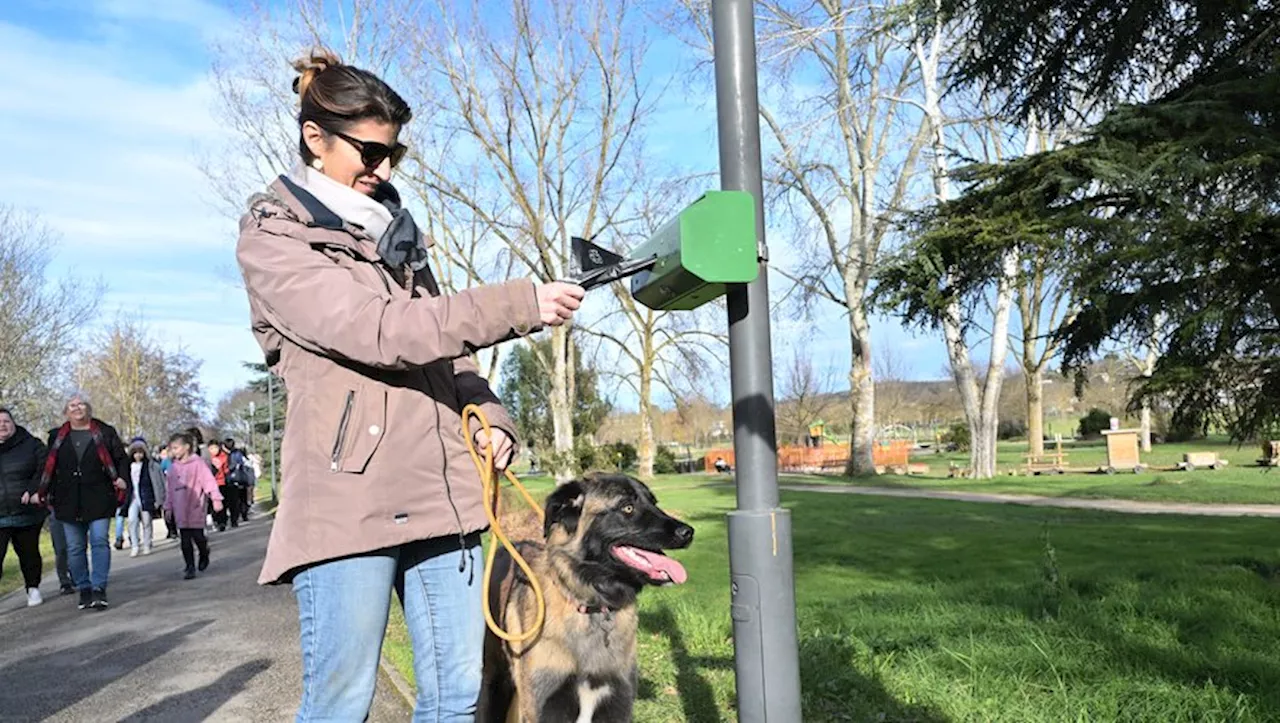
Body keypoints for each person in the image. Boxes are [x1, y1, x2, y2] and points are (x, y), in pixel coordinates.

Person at [235, 47, 584, 722]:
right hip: (348, 502)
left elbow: (446, 356)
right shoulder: (274, 239)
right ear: (315, 137)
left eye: (393, 153)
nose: (383, 169)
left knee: (456, 697)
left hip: (444, 496)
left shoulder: (396, 240)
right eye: (369, 152)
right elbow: (381, 330)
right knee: (339, 703)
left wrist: (490, 413)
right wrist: (518, 303)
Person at [34, 393, 129, 611]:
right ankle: (84, 588)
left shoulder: (105, 432)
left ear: (89, 408)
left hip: (99, 496)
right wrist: (39, 491)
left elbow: (120, 459)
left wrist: (121, 477)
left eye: (81, 404)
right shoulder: (57, 436)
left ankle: (99, 588)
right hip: (67, 499)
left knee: (99, 542)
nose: (77, 408)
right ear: (66, 411)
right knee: (75, 548)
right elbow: (48, 467)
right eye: (72, 405)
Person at [0, 408, 50, 607]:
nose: (2, 425)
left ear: (13, 424)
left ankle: (33, 588)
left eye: (6, 421)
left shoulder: (31, 444)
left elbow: (45, 468)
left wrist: (33, 490)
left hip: (26, 511)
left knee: (28, 553)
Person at [163, 432, 223, 580]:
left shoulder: (198, 464)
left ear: (187, 447)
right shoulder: (173, 469)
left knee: (198, 536)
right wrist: (168, 506)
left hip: (195, 506)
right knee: (185, 540)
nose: (174, 451)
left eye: (176, 448)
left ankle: (204, 552)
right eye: (172, 448)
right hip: (179, 507)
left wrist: (216, 498)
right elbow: (169, 489)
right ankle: (189, 566)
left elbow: (209, 481)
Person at [123, 437, 166, 557]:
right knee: (132, 520)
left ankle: (147, 543)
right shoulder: (128, 466)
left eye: (140, 452)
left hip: (146, 496)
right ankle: (135, 545)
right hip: (132, 497)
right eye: (135, 452)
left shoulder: (150, 466)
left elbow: (158, 482)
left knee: (147, 521)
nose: (138, 455)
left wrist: (159, 498)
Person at [206, 439, 235, 530]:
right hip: (210, 483)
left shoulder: (224, 456)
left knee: (222, 503)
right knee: (212, 504)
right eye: (211, 448)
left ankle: (222, 522)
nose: (214, 450)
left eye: (215, 448)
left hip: (221, 482)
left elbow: (227, 469)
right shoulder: (207, 458)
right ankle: (215, 520)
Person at [224, 438, 254, 523]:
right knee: (242, 498)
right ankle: (243, 514)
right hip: (242, 478)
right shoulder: (239, 453)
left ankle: (235, 518)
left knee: (235, 500)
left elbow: (231, 466)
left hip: (231, 479)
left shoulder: (227, 454)